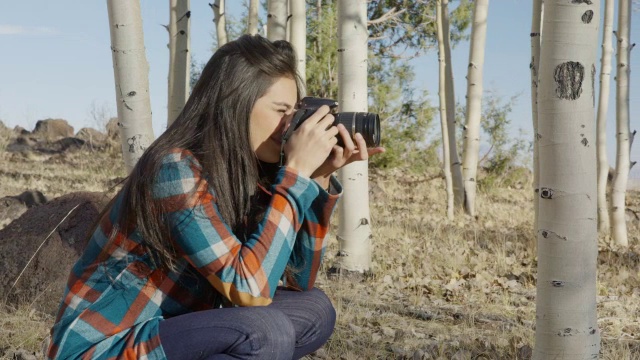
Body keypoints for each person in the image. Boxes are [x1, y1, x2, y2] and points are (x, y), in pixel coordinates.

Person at [47, 34, 384, 360]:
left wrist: (317, 177)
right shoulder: (174, 168)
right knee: (266, 331)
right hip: (107, 346)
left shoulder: (248, 173)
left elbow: (298, 278)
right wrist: (294, 177)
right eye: (281, 110)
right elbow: (249, 290)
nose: (291, 125)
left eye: (295, 111)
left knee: (315, 310)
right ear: (235, 104)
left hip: (170, 332)